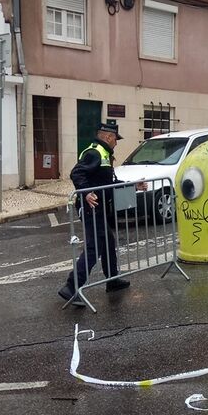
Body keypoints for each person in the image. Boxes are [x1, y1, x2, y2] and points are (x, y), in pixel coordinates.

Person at [59, 122, 130, 306]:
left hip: (98, 208)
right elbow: (77, 173)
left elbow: (109, 181)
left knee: (107, 241)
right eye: (115, 139)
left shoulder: (104, 153)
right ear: (107, 137)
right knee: (94, 247)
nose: (117, 142)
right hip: (90, 208)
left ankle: (112, 280)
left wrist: (133, 185)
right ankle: (71, 287)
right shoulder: (95, 153)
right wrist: (86, 192)